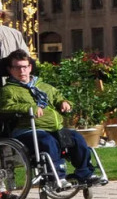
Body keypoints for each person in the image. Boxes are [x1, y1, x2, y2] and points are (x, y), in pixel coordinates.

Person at [0, 50, 95, 187]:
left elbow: (59, 98)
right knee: (47, 141)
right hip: (27, 129)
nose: (22, 71)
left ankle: (85, 175)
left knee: (77, 139)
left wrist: (65, 103)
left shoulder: (44, 87)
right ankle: (57, 177)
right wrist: (28, 108)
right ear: (10, 69)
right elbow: (4, 108)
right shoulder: (8, 90)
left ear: (30, 67)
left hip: (54, 128)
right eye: (17, 67)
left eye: (25, 67)